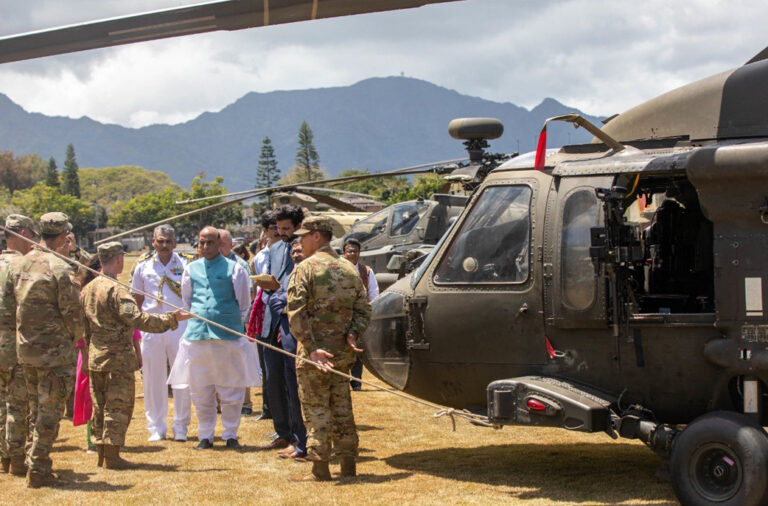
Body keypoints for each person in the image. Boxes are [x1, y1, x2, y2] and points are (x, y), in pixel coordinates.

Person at [81, 242, 189, 469]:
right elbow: (139, 320)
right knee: (117, 407)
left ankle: (101, 451)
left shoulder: (88, 288)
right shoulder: (117, 290)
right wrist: (171, 319)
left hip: (96, 356)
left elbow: (84, 327)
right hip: (116, 359)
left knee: (100, 406)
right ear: (119, 260)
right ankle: (112, 456)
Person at [287, 216, 371, 481]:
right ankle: (348, 464)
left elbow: (296, 313)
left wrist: (311, 348)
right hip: (342, 355)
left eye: (303, 236)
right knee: (342, 407)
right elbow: (364, 308)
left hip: (316, 357)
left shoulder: (305, 268)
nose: (299, 242)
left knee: (316, 409)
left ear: (316, 236)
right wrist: (353, 334)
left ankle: (320, 468)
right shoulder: (349, 268)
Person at [7, 212, 86, 488]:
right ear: (64, 236)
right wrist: (78, 339)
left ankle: (28, 459)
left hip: (25, 349)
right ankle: (39, 468)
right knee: (49, 412)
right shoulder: (60, 268)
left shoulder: (22, 262)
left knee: (32, 407)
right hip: (53, 353)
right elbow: (71, 311)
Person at [168, 226, 260, 450]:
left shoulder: (235, 269)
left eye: (210, 242)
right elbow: (187, 302)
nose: (205, 247)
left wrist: (228, 319)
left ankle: (230, 434)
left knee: (230, 388)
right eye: (202, 242)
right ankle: (205, 436)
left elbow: (243, 304)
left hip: (227, 336)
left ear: (220, 244)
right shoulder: (191, 269)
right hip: (198, 337)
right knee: (201, 389)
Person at [130, 224, 192, 442]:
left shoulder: (185, 264)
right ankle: (156, 426)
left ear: (174, 243)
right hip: (151, 327)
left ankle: (181, 426)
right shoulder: (142, 266)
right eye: (160, 241)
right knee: (153, 378)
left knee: (181, 376)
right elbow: (137, 300)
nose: (164, 245)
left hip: (179, 326)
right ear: (153, 242)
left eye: (168, 241)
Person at [256, 205, 304, 449]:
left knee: (292, 380)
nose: (282, 233)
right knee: (272, 378)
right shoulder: (274, 250)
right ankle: (282, 431)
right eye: (279, 228)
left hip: (291, 322)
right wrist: (267, 286)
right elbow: (271, 281)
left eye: (286, 228)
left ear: (297, 226)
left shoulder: (305, 250)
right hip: (271, 321)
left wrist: (279, 293)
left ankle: (299, 435)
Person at [0, 215, 37, 477]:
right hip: (14, 344)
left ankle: (3, 458)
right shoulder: (22, 266)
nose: (33, 242)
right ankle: (14, 459)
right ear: (22, 233)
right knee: (17, 404)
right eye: (32, 236)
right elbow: (31, 308)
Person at [267, 238, 308, 460]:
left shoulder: (311, 274)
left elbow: (307, 305)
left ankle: (312, 444)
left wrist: (287, 307)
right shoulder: (290, 275)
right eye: (293, 251)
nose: (296, 255)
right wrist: (287, 306)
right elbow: (274, 301)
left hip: (308, 347)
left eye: (300, 250)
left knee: (309, 398)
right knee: (293, 395)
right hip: (289, 345)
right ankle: (299, 441)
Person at [249, 210, 279, 421]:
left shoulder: (287, 252)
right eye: (273, 229)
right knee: (265, 363)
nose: (277, 232)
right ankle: (268, 407)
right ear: (265, 231)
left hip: (279, 311)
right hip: (263, 311)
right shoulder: (260, 257)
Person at [342, 238, 379, 391]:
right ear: (344, 253)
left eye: (355, 251)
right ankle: (342, 381)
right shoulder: (338, 269)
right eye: (349, 251)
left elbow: (374, 293)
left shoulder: (367, 271)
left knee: (357, 350)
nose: (352, 254)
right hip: (341, 315)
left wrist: (369, 314)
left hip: (359, 317)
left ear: (359, 253)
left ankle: (356, 382)